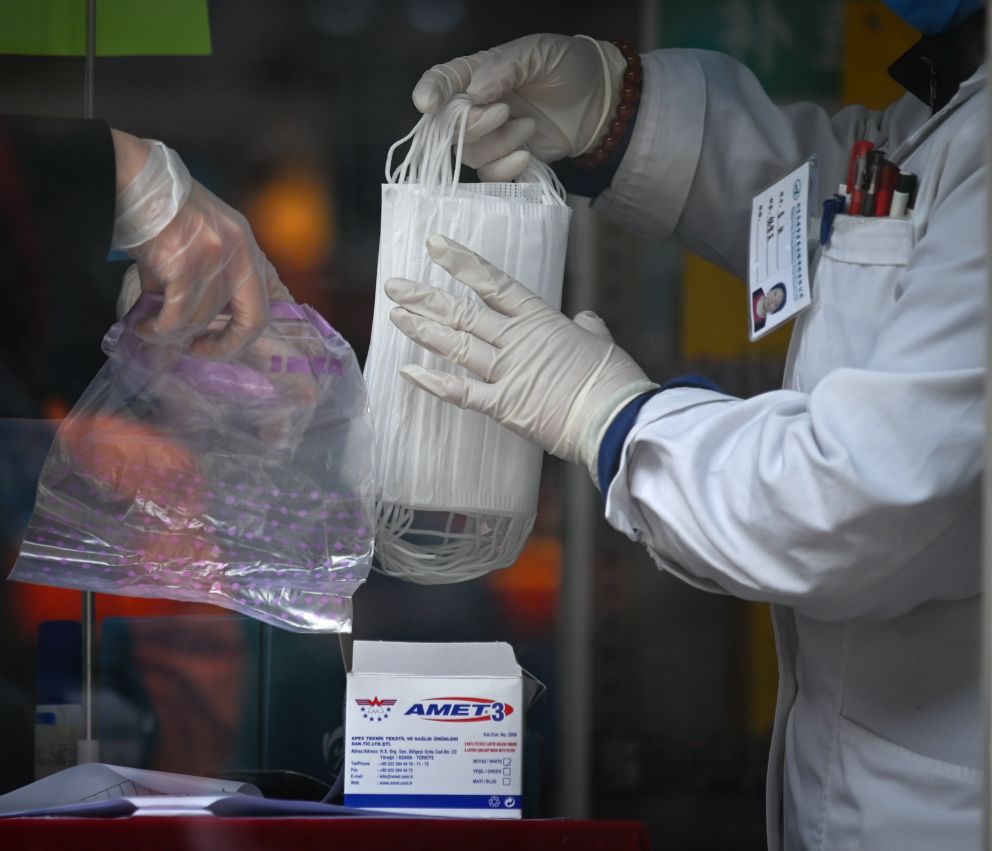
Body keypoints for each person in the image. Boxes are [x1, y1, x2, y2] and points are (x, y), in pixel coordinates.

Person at [387, 2, 986, 848]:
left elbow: (856, 497)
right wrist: (616, 116)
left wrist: (610, 413)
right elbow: (853, 208)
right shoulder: (957, 101)